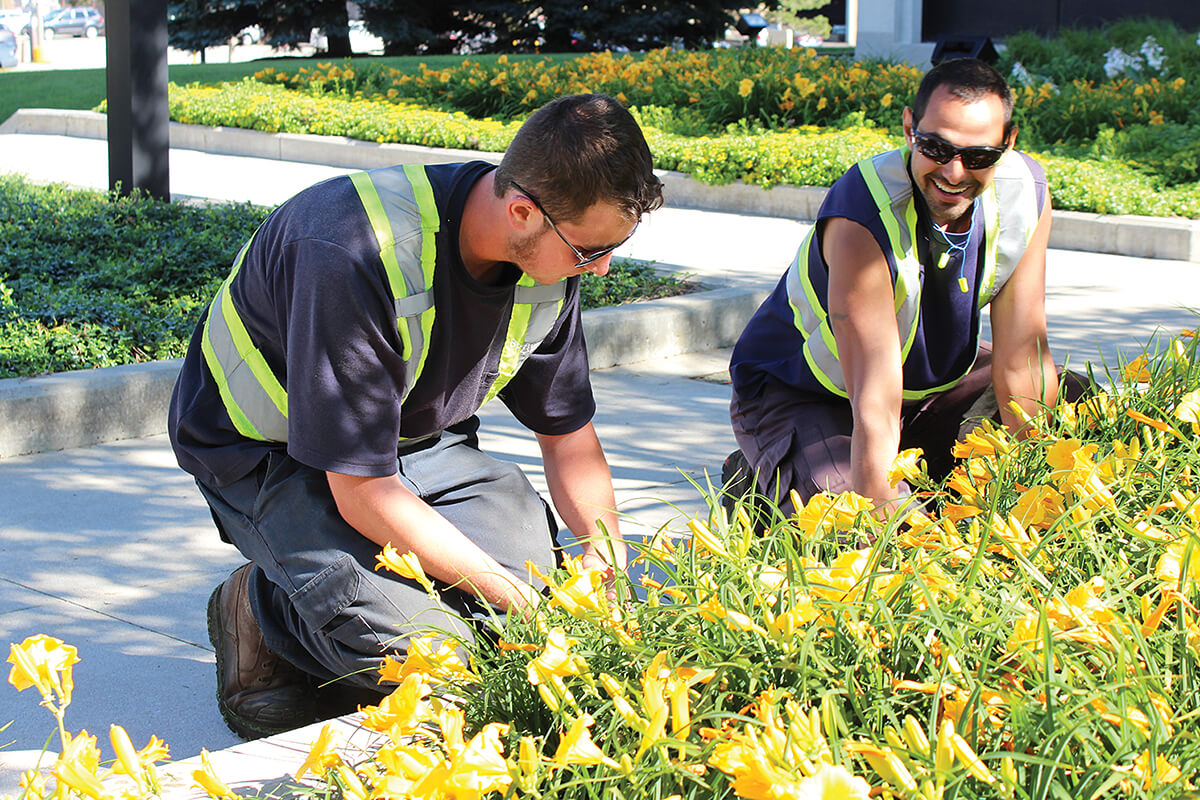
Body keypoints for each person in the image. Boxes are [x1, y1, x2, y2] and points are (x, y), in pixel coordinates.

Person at [168, 93, 663, 739]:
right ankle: (266, 610)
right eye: (590, 250)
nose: (599, 267)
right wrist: (509, 596)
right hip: (271, 456)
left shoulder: (551, 250)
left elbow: (568, 437)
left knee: (546, 608)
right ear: (522, 211)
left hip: (419, 443)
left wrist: (606, 554)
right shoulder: (348, 248)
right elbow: (364, 491)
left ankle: (338, 593)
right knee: (438, 661)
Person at [727, 58, 1076, 516]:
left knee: (1073, 407)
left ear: (1008, 144)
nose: (954, 173)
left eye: (978, 157)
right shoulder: (863, 214)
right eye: (935, 147)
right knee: (844, 514)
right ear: (910, 128)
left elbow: (1023, 358)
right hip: (806, 393)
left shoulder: (1026, 194)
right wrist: (884, 526)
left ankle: (919, 470)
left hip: (925, 388)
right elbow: (875, 396)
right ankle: (762, 477)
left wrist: (1038, 490)